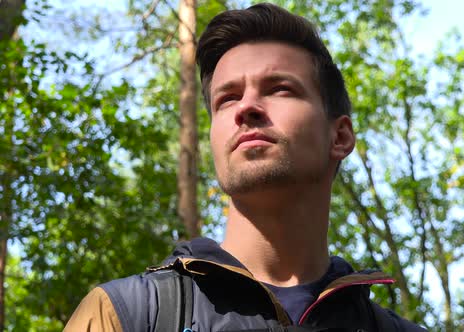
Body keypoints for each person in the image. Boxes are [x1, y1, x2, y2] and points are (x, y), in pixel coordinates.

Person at [65, 3, 428, 331]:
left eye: (280, 88)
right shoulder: (124, 314)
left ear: (340, 136)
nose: (246, 107)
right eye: (227, 98)